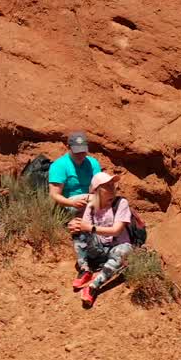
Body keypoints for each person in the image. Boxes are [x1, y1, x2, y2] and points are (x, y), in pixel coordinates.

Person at [68, 172, 133, 307]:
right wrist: (75, 225)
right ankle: (85, 269)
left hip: (115, 247)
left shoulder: (121, 203)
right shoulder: (91, 206)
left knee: (125, 250)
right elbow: (84, 228)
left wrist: (90, 228)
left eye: (112, 185)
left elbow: (117, 230)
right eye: (106, 185)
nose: (111, 188)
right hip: (98, 248)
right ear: (97, 190)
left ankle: (93, 286)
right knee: (78, 232)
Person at [48, 131, 101, 211]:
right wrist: (72, 203)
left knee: (120, 202)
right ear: (68, 147)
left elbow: (100, 187)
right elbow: (54, 195)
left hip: (89, 200)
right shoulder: (59, 165)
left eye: (83, 151)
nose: (80, 155)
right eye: (77, 152)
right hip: (68, 203)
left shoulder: (93, 163)